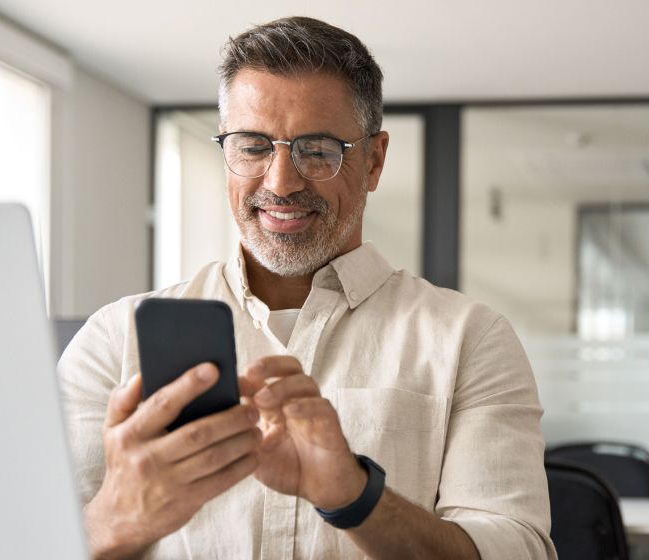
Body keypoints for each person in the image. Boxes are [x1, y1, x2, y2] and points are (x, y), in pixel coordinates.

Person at [59, 16, 556, 560]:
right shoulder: (114, 340)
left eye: (317, 149)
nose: (280, 182)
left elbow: (516, 549)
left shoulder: (469, 340)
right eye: (251, 146)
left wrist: (352, 495)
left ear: (374, 160)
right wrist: (120, 517)